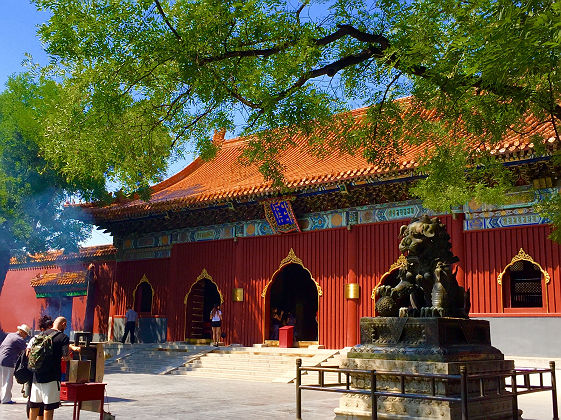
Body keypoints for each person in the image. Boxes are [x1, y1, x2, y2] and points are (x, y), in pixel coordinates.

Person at [28, 316, 79, 420]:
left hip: (36, 376)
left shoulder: (40, 335)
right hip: (51, 378)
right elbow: (65, 357)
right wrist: (69, 356)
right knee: (49, 406)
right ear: (63, 324)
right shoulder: (63, 337)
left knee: (34, 405)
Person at [25, 315, 53, 420]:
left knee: (37, 399)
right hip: (35, 373)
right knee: (34, 400)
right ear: (42, 329)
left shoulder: (34, 339)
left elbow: (28, 353)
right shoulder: (37, 339)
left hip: (34, 371)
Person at [0, 323, 30, 404]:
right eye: (25, 334)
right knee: (7, 381)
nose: (26, 336)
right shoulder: (19, 339)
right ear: (21, 332)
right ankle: (6, 399)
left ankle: (1, 398)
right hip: (7, 361)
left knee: (1, 381)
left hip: (1, 358)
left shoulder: (10, 335)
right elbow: (27, 351)